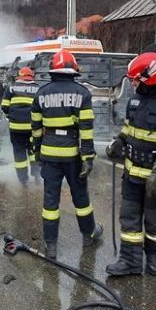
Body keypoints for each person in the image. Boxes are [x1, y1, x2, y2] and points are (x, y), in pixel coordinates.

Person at [105, 52, 156, 277]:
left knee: (154, 223)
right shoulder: (135, 102)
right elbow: (129, 129)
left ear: (150, 79)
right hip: (131, 177)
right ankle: (130, 261)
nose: (132, 83)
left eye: (135, 79)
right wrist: (119, 142)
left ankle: (153, 258)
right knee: (129, 220)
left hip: (155, 181)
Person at [31, 49, 103, 260]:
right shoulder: (82, 93)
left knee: (50, 201)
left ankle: (51, 246)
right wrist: (88, 157)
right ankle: (89, 235)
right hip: (73, 156)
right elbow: (86, 129)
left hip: (49, 156)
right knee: (80, 197)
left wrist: (37, 151)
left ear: (53, 70)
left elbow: (35, 128)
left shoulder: (41, 94)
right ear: (73, 70)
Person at [1, 66, 40, 185]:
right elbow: (41, 108)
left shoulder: (11, 87)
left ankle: (23, 179)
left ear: (20, 76)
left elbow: (4, 106)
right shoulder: (37, 89)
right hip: (32, 128)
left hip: (16, 128)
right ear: (31, 76)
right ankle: (37, 175)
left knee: (19, 153)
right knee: (34, 151)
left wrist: (10, 116)